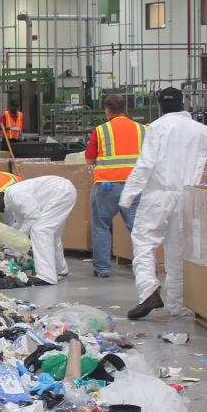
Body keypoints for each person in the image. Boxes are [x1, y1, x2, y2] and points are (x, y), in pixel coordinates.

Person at [121, 87, 207, 319]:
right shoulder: (202, 131)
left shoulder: (157, 128)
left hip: (158, 195)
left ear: (160, 106)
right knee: (177, 252)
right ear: (183, 104)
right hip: (186, 197)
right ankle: (180, 306)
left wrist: (127, 195)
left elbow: (145, 165)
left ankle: (148, 291)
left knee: (143, 243)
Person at [0, 173, 76, 286]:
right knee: (52, 234)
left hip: (61, 192)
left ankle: (46, 276)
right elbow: (21, 223)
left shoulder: (15, 195)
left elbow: (33, 216)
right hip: (61, 191)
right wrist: (7, 240)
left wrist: (18, 238)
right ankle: (60, 269)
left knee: (40, 230)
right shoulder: (11, 200)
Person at [85, 94, 145, 278]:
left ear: (108, 110)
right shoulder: (142, 129)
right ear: (124, 109)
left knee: (102, 226)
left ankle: (103, 269)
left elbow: (89, 160)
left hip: (107, 186)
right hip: (135, 186)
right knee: (138, 228)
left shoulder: (101, 130)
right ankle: (144, 268)